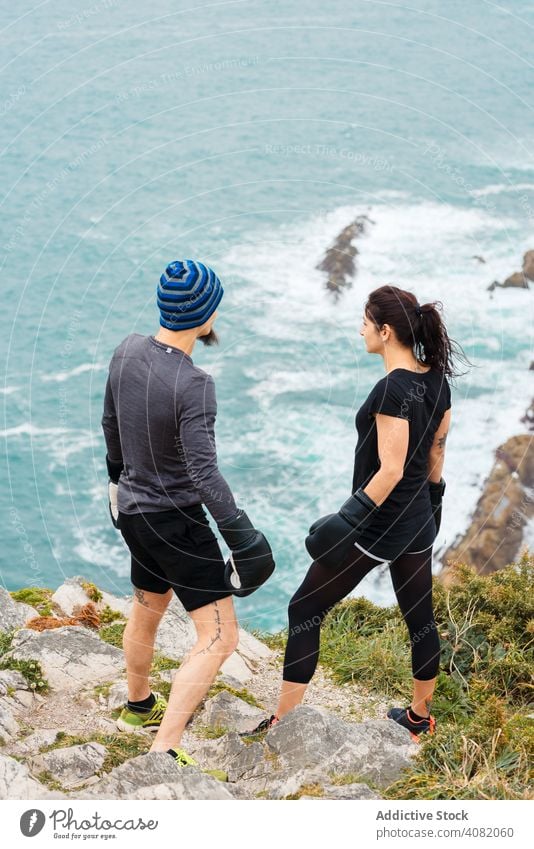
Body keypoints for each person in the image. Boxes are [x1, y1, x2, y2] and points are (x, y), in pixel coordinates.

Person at [241, 284, 469, 744]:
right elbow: (434, 461)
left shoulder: (391, 390)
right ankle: (420, 719)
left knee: (305, 607)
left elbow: (390, 470)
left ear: (386, 332)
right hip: (418, 521)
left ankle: (284, 723)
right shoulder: (437, 381)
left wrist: (342, 523)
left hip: (377, 525)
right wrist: (434, 508)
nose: (360, 329)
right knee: (419, 619)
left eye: (365, 322)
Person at [101, 259, 274, 772]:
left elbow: (111, 423)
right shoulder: (194, 383)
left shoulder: (126, 350)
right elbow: (203, 474)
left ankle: (137, 707)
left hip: (134, 512)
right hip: (177, 523)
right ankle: (164, 749)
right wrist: (242, 537)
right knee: (220, 637)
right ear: (206, 313)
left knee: (147, 608)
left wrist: (115, 483)